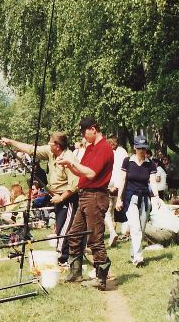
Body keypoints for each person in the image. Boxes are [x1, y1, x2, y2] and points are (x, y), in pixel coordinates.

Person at [0, 132, 79, 262]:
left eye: (50, 142)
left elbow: (75, 184)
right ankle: (65, 257)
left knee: (63, 231)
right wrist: (11, 142)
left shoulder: (69, 158)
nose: (48, 144)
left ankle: (62, 258)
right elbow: (32, 149)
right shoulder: (51, 152)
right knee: (59, 227)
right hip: (56, 197)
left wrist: (61, 198)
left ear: (57, 146)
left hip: (68, 199)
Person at [57, 117, 115, 290]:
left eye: (84, 132)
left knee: (95, 238)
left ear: (93, 129)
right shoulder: (90, 148)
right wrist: (69, 165)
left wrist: (72, 162)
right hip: (84, 196)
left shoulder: (104, 148)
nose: (83, 136)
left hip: (95, 196)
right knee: (74, 234)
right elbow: (81, 171)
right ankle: (75, 272)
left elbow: (91, 173)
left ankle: (101, 278)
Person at [115, 135, 158, 266]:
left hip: (145, 199)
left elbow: (153, 182)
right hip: (130, 198)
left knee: (141, 229)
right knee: (136, 228)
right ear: (134, 148)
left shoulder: (150, 164)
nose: (142, 151)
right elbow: (122, 180)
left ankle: (134, 253)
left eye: (144, 148)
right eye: (139, 148)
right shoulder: (127, 161)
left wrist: (156, 198)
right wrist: (119, 199)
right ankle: (139, 258)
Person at [105, 135, 129, 247]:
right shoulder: (123, 152)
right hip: (121, 186)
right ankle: (116, 233)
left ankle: (112, 231)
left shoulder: (111, 153)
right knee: (114, 211)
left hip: (112, 185)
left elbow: (114, 170)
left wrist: (112, 186)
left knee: (107, 212)